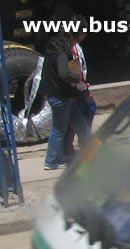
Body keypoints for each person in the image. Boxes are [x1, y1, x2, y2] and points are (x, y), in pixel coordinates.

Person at [39, 33, 91, 170]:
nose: (74, 44)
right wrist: (76, 78)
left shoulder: (51, 53)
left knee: (80, 123)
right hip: (61, 97)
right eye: (73, 42)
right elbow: (64, 74)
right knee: (59, 129)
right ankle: (51, 161)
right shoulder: (61, 55)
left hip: (63, 97)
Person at [64, 14, 96, 158]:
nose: (86, 34)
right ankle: (82, 144)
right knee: (87, 111)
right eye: (84, 31)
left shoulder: (72, 45)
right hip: (78, 89)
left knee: (76, 118)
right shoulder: (73, 48)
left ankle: (74, 146)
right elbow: (77, 72)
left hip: (76, 89)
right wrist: (86, 89)